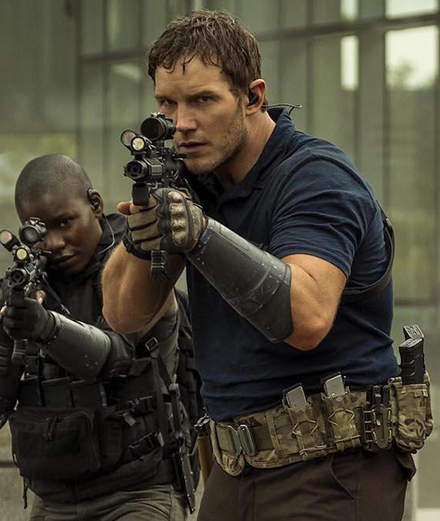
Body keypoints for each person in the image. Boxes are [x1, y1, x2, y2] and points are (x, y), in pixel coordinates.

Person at [102, 10, 431, 521]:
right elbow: (123, 316)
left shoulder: (316, 177)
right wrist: (145, 235)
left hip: (335, 465)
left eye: (203, 100)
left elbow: (306, 319)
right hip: (236, 469)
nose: (181, 123)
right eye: (167, 102)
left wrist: (201, 234)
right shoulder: (194, 181)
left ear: (253, 97)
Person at [0, 154, 193, 521]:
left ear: (95, 204)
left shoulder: (137, 263)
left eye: (65, 222)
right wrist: (8, 332)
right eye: (39, 231)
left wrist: (45, 327)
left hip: (136, 494)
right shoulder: (30, 282)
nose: (55, 242)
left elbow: (114, 355)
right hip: (53, 498)